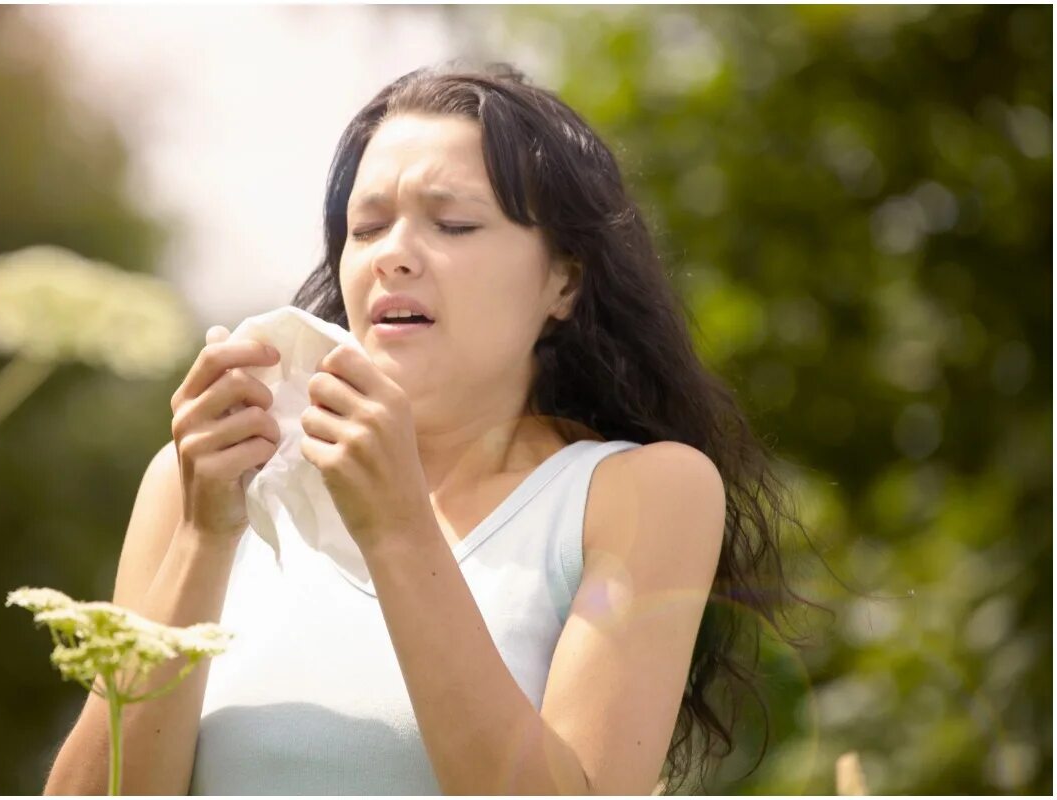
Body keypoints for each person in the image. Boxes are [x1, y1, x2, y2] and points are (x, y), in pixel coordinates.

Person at [43, 61, 814, 796]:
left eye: (452, 224)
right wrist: (203, 538)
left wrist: (400, 530)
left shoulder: (641, 492)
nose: (394, 258)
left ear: (564, 280)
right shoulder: (199, 484)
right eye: (368, 228)